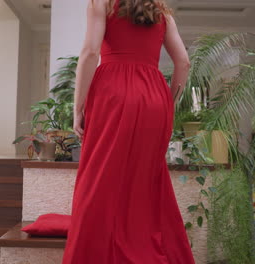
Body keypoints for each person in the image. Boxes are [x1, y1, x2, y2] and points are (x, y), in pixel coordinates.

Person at [62, 0, 194, 263]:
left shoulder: (101, 3)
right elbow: (184, 63)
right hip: (154, 97)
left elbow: (90, 52)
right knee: (146, 183)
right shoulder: (161, 11)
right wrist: (169, 103)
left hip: (112, 93)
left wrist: (78, 108)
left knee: (99, 180)